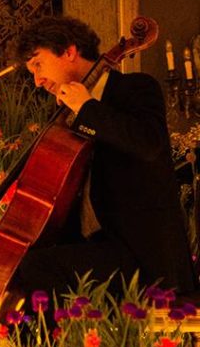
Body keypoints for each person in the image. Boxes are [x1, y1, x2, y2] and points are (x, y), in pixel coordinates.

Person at [12, 15, 196, 299]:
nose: (37, 81)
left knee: (39, 268)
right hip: (98, 249)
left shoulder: (135, 88)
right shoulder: (64, 116)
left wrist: (86, 108)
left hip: (140, 253)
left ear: (69, 51)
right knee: (20, 267)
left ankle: (59, 344)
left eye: (38, 64)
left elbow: (149, 145)